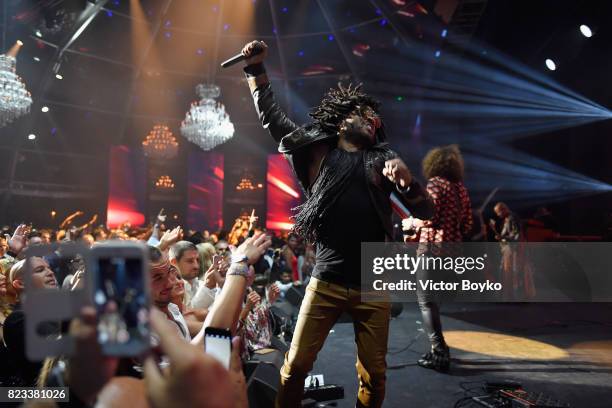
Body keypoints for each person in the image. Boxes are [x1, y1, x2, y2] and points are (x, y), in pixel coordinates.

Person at [241, 40, 433, 407]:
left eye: (373, 116)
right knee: (295, 366)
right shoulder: (316, 151)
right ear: (342, 118)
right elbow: (273, 117)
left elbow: (426, 212)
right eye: (361, 111)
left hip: (372, 283)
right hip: (326, 278)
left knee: (375, 375)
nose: (369, 117)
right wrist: (255, 71)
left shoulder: (386, 158)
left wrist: (409, 184)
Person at [402, 145, 472, 372]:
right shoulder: (460, 188)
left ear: (433, 164)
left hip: (432, 251)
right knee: (434, 302)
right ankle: (437, 349)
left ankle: (440, 353)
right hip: (453, 252)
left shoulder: (434, 185)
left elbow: (428, 217)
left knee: (426, 302)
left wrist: (412, 223)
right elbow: (468, 223)